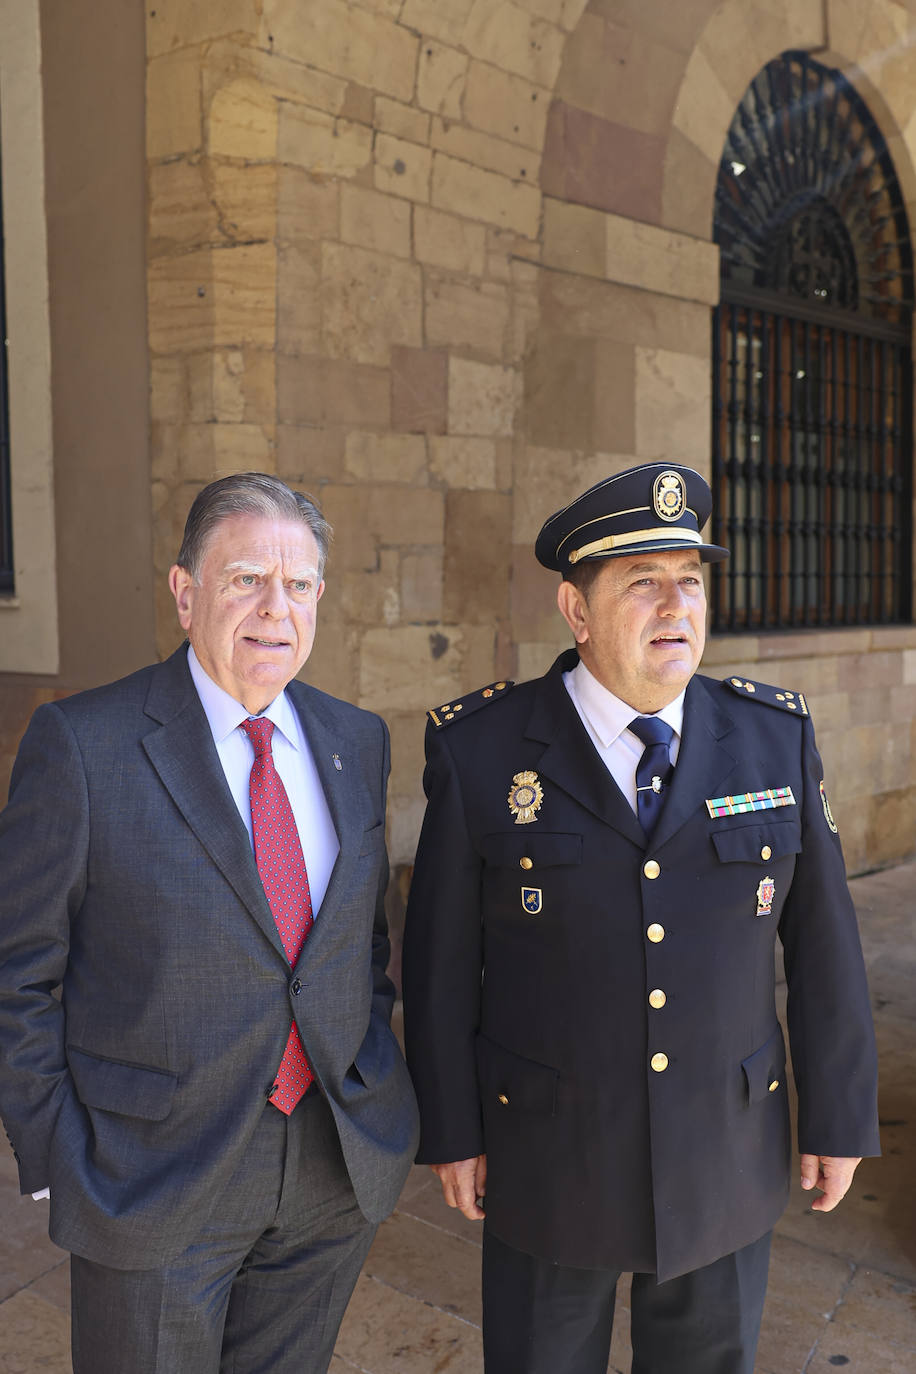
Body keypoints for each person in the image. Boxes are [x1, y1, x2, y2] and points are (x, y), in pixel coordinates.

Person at [402, 462, 879, 1374]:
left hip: (724, 1155)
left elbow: (824, 944)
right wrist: (452, 1129)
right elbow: (441, 962)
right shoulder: (485, 751)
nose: (677, 605)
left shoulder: (773, 736)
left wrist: (839, 1116)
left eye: (691, 581)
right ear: (576, 613)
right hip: (548, 1157)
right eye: (643, 583)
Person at [0, 472, 418, 1374]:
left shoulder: (358, 740)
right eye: (246, 580)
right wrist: (60, 1157)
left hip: (329, 1170)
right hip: (152, 1179)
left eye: (299, 584)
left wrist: (371, 1074)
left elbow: (362, 946)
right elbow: (18, 972)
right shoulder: (83, 745)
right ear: (186, 594)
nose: (277, 608)